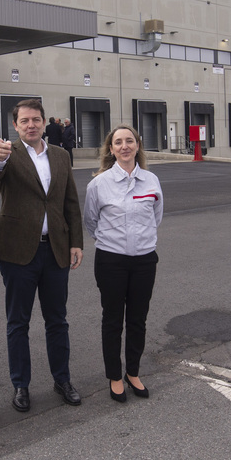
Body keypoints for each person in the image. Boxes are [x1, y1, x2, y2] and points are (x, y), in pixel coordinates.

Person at [0, 99, 84, 411]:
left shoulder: (60, 156)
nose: (31, 125)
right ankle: (21, 385)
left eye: (36, 120)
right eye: (24, 121)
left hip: (55, 250)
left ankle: (62, 379)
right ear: (15, 125)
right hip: (17, 251)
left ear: (44, 122)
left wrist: (76, 242)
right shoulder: (7, 153)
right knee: (18, 322)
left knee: (57, 320)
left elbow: (70, 202)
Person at [83, 125, 163, 403]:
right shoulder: (98, 184)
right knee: (113, 320)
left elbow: (156, 216)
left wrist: (140, 241)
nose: (124, 146)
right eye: (118, 142)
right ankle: (115, 376)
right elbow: (91, 222)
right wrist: (115, 243)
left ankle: (133, 372)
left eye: (130, 141)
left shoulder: (151, 180)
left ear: (138, 146)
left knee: (138, 320)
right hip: (111, 261)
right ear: (111, 149)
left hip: (144, 261)